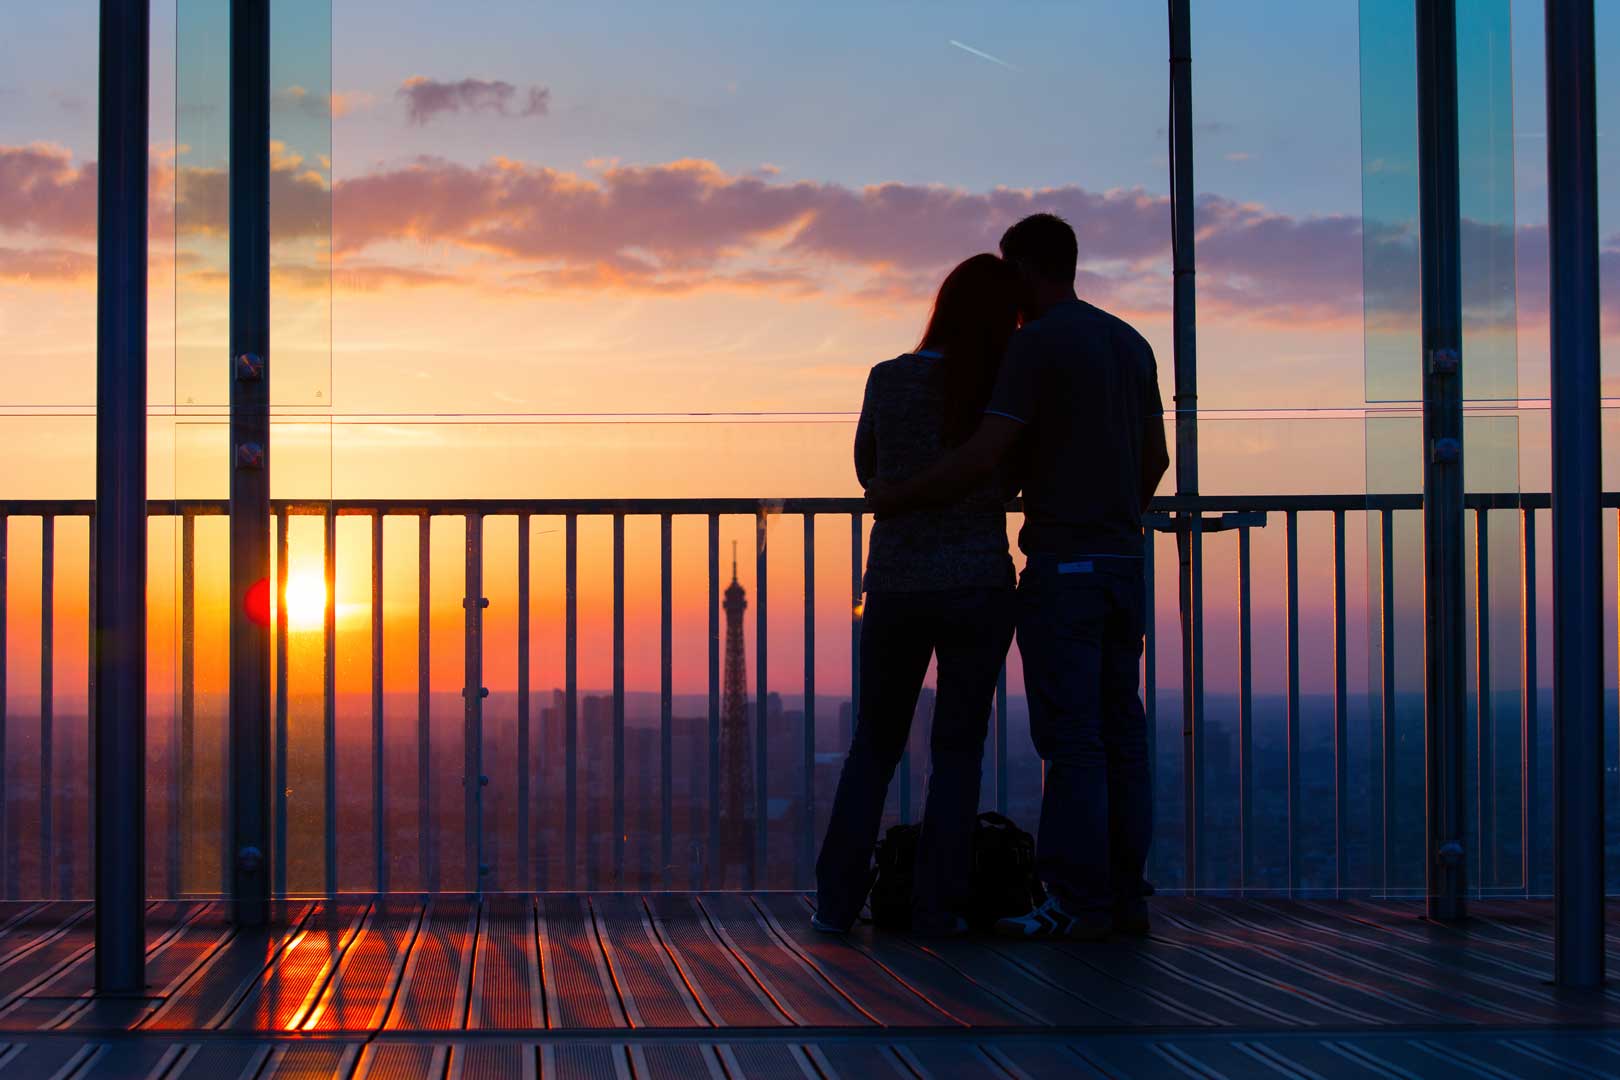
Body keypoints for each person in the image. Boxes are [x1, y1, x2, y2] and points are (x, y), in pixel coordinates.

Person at [868, 213, 1169, 939]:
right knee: (1121, 730)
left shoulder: (1035, 348)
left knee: (1071, 739)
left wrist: (901, 495)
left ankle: (1074, 899)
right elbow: (1155, 458)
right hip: (1125, 562)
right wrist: (1113, 507)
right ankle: (1125, 894)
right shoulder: (1131, 342)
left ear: (1028, 271)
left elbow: (984, 454)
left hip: (1063, 564)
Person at [813, 254, 1021, 938]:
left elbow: (866, 467)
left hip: (898, 584)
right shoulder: (1000, 382)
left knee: (874, 745)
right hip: (977, 583)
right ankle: (939, 908)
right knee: (958, 750)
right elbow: (1012, 469)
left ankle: (837, 902)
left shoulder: (888, 376)